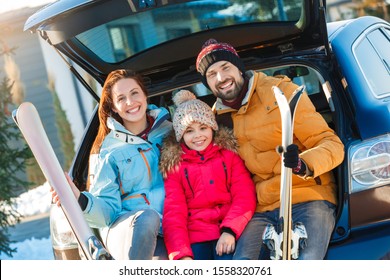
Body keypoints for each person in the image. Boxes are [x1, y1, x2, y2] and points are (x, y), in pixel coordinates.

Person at [195, 39, 345, 260]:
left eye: (225, 68)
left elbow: (333, 145)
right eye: (211, 74)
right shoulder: (216, 120)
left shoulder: (282, 93)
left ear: (239, 67)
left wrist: (303, 164)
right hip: (261, 208)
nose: (221, 78)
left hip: (308, 196)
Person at [51, 69, 172, 260]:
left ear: (145, 95)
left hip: (174, 225)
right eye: (121, 98)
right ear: (114, 107)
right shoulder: (107, 150)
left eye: (134, 93)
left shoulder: (171, 132)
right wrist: (80, 199)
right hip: (128, 229)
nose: (130, 102)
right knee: (149, 219)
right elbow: (107, 211)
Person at [159, 90, 256, 260]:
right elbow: (174, 213)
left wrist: (230, 230)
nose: (198, 136)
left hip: (228, 230)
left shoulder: (229, 156)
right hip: (195, 237)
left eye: (203, 128)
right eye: (189, 131)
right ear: (180, 136)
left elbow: (244, 195)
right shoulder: (175, 167)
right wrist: (181, 254)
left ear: (212, 127)